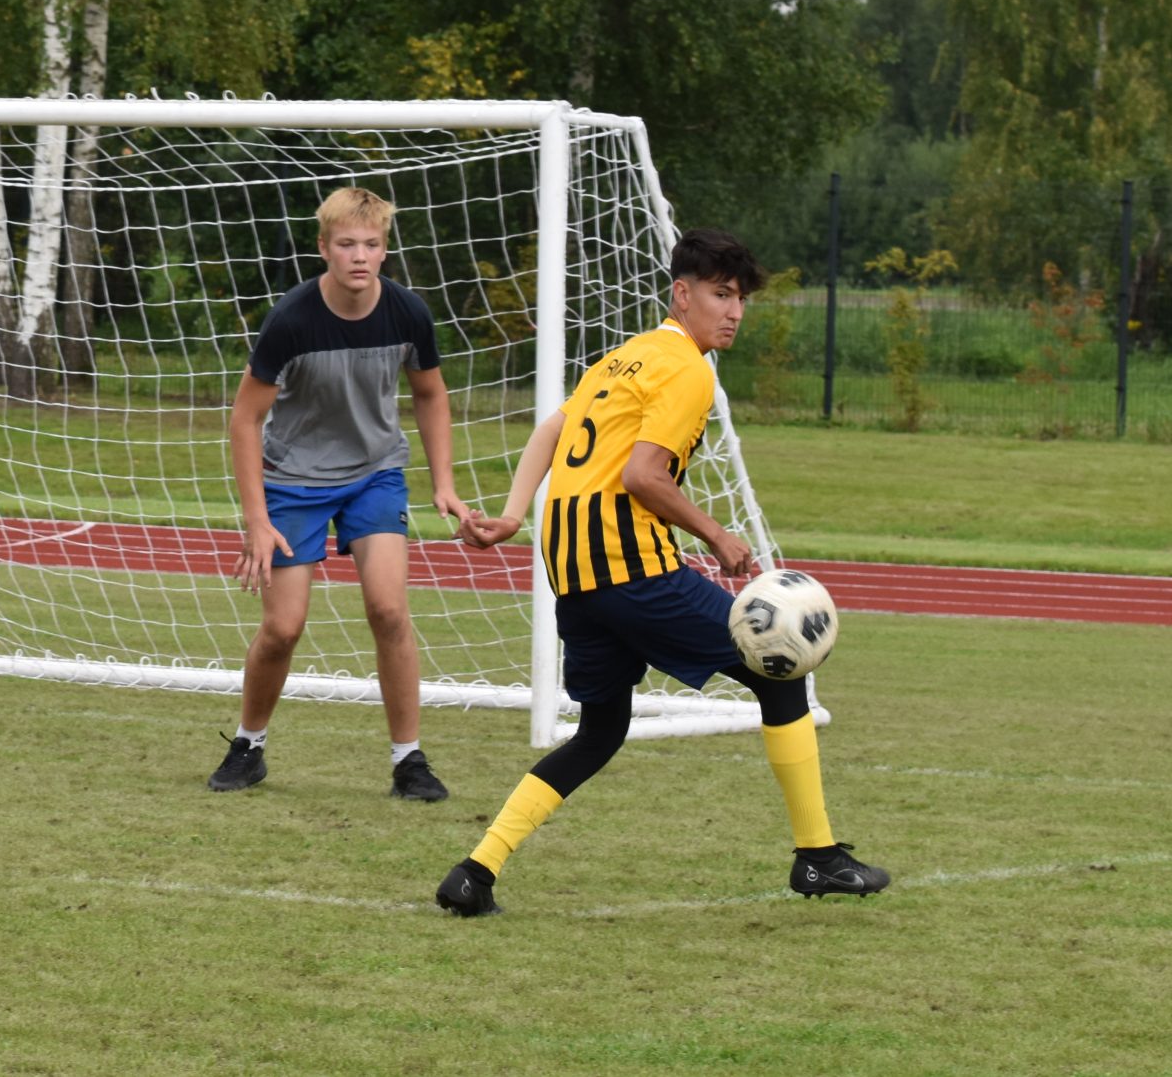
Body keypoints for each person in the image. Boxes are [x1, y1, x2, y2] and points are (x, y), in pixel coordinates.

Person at [435, 227, 888, 915]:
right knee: (781, 674)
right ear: (682, 294)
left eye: (741, 299)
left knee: (599, 731)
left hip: (574, 574)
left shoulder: (624, 357)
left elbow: (553, 429)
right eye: (721, 294)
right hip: (631, 568)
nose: (734, 311)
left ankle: (475, 872)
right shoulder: (686, 368)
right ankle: (818, 858)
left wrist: (512, 513)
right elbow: (643, 476)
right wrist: (718, 534)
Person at [208, 186, 470, 802]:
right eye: (347, 244)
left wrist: (444, 484)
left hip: (374, 474)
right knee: (283, 628)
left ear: (384, 250)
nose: (359, 256)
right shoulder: (292, 320)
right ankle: (249, 745)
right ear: (324, 248)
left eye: (371, 244)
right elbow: (245, 419)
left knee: (389, 610)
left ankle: (408, 761)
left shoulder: (407, 312)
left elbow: (430, 393)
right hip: (292, 481)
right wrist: (256, 519)